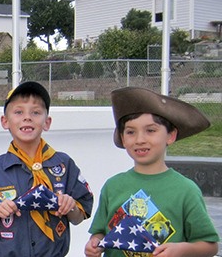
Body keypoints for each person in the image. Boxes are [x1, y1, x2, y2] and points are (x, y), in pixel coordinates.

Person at [84, 87, 219, 257]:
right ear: (123, 139)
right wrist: (94, 244)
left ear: (170, 136)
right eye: (131, 132)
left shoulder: (186, 190)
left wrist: (181, 250)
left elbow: (210, 245)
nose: (140, 140)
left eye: (151, 130)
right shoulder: (112, 186)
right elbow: (99, 232)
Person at [0, 81, 94, 256]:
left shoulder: (63, 164)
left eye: (36, 112)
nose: (27, 117)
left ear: (47, 122)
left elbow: (79, 217)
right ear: (5, 121)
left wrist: (71, 206)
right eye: (18, 112)